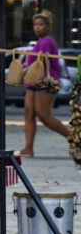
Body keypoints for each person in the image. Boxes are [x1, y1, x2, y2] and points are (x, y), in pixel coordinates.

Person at [18, 9, 69, 158]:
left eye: (41, 25)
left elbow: (40, 63)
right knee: (29, 114)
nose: (37, 27)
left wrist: (25, 71)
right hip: (33, 83)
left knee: (44, 116)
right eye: (35, 24)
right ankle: (28, 148)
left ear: (48, 27)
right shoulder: (38, 43)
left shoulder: (47, 41)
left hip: (46, 82)